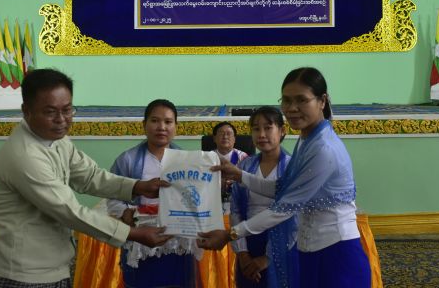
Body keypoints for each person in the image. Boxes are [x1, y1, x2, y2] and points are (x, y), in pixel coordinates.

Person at [0, 69, 171, 287]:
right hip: (20, 275)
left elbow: (89, 176)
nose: (61, 120)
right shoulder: (24, 155)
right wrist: (134, 234)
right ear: (26, 111)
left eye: (67, 110)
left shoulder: (56, 139)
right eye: (50, 112)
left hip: (54, 267)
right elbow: (70, 212)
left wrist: (138, 186)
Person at [198, 67, 371, 287]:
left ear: (322, 101)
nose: (292, 108)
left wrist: (229, 234)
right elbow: (283, 187)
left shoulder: (324, 148)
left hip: (336, 251)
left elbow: (284, 207)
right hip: (311, 249)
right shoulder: (307, 139)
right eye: (287, 100)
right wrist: (240, 175)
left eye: (302, 100)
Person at [101, 99, 200, 288]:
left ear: (176, 127)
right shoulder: (127, 160)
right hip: (142, 239)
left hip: (177, 241)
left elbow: (195, 197)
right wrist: (125, 212)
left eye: (168, 122)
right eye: (155, 121)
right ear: (144, 124)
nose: (161, 127)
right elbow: (113, 197)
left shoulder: (187, 160)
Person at [230, 106, 294, 288]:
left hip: (283, 244)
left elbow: (294, 216)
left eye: (268, 127)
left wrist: (267, 258)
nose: (262, 134)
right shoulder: (245, 165)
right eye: (256, 129)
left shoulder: (291, 167)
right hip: (248, 241)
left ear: (282, 131)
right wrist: (242, 253)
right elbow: (235, 210)